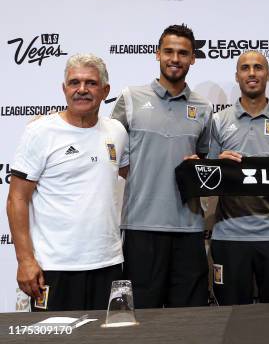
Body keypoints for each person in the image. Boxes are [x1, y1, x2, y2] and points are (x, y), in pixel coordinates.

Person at [7, 53, 128, 311]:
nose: (81, 90)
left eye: (91, 83)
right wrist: (25, 259)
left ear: (106, 90)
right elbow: (16, 198)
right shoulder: (40, 131)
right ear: (64, 89)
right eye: (74, 83)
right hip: (53, 267)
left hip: (107, 264)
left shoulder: (117, 131)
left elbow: (138, 176)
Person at [111, 24, 213, 308]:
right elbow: (111, 154)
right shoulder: (130, 98)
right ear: (157, 54)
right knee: (141, 318)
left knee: (188, 322)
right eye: (168, 51)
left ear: (193, 58)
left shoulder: (204, 108)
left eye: (183, 53)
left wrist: (199, 166)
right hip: (140, 226)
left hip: (189, 227)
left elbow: (205, 163)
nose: (175, 59)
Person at [208, 50, 269, 305]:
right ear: (237, 75)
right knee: (229, 319)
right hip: (229, 236)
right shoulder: (218, 120)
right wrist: (216, 164)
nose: (252, 73)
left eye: (258, 67)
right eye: (245, 68)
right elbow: (206, 179)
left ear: (268, 75)